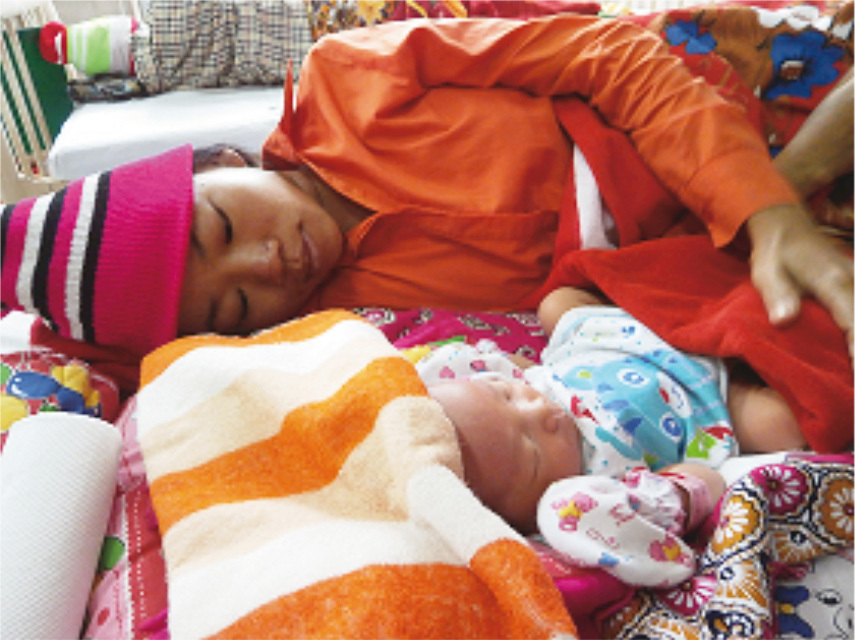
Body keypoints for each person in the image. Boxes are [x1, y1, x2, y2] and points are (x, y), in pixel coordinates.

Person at [2, 15, 851, 382]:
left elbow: (602, 56)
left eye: (222, 224)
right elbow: (126, 372)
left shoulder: (349, 79)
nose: (268, 262)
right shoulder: (346, 323)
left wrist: (767, 207)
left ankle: (796, 186)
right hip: (673, 266)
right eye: (234, 304)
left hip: (682, 113)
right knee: (794, 363)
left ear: (220, 159)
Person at [417, 287, 806, 585]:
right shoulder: (591, 497)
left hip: (614, 337)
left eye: (506, 394)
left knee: (557, 302)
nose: (540, 412)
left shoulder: (508, 385)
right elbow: (704, 481)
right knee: (781, 426)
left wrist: (507, 377)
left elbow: (507, 366)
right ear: (524, 523)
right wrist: (681, 491)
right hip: (705, 403)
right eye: (533, 449)